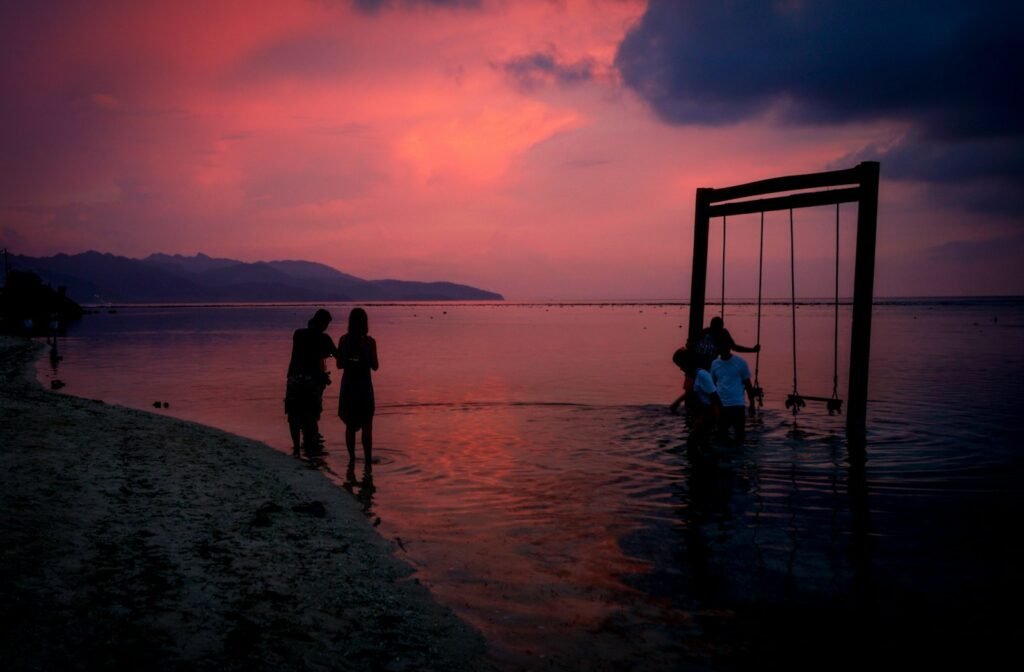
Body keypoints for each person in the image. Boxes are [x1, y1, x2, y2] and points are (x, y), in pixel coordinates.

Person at [285, 309, 336, 456]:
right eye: (326, 324)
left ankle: (296, 448)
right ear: (323, 323)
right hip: (311, 381)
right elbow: (337, 355)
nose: (326, 327)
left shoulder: (298, 334)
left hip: (294, 378)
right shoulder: (324, 338)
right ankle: (311, 450)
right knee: (311, 415)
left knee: (293, 414)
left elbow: (307, 355)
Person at [337, 307, 379, 468]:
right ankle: (368, 461)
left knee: (350, 425)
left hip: (348, 387)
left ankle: (352, 459)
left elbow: (339, 364)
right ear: (365, 323)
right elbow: (375, 366)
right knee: (367, 425)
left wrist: (350, 360)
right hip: (364, 387)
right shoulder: (370, 342)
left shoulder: (343, 340)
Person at [710, 340, 758, 445]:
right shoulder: (715, 364)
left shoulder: (740, 363)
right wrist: (712, 406)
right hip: (722, 405)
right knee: (721, 436)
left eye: (726, 348)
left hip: (737, 405)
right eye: (721, 349)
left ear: (729, 348)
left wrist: (752, 404)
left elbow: (748, 385)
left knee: (739, 437)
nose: (724, 351)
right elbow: (712, 386)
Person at [670, 347, 719, 443]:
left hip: (708, 414)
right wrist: (677, 402)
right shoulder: (694, 375)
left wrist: (717, 423)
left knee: (694, 442)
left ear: (687, 363)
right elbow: (691, 392)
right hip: (700, 412)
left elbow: (715, 399)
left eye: (681, 365)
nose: (680, 369)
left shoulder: (702, 375)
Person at [691, 316, 759, 366]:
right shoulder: (722, 333)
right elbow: (735, 347)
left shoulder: (705, 332)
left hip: (697, 364)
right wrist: (753, 350)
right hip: (711, 365)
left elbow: (692, 343)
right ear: (721, 326)